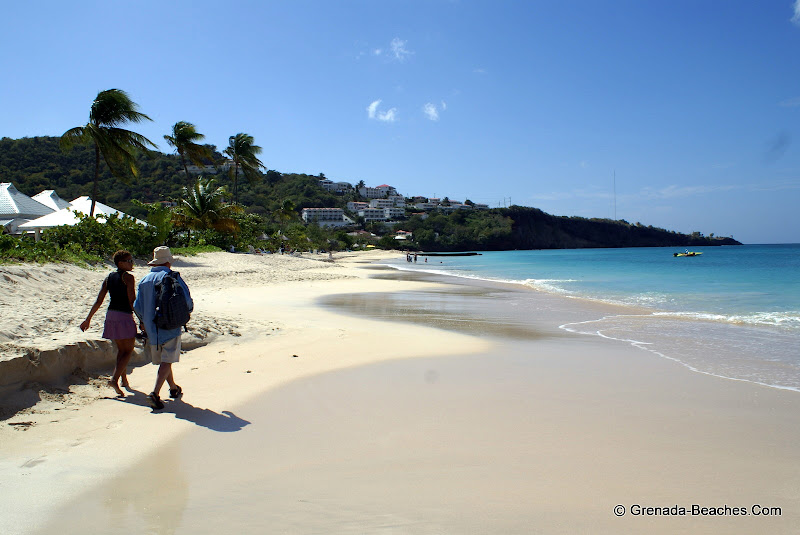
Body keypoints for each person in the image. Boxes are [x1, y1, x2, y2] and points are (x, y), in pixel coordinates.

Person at [133, 246, 193, 411]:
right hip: (170, 325)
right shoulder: (171, 276)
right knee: (167, 359)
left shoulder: (144, 280)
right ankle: (155, 393)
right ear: (168, 262)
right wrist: (186, 313)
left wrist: (143, 321)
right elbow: (186, 300)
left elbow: (137, 306)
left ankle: (173, 388)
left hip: (152, 329)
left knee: (166, 360)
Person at [80, 250, 137, 397]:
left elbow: (99, 300)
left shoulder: (109, 277)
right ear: (120, 263)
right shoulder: (128, 278)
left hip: (111, 315)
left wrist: (88, 318)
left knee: (121, 349)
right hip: (124, 316)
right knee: (128, 350)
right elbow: (132, 301)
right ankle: (114, 379)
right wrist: (141, 319)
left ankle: (124, 380)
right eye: (129, 261)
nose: (131, 263)